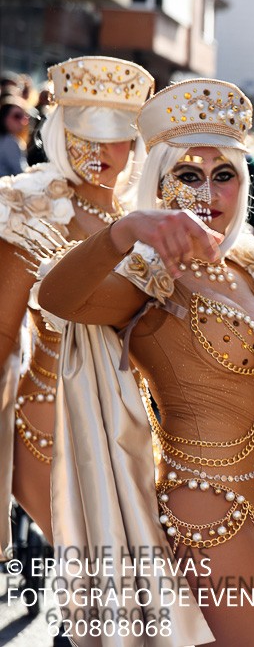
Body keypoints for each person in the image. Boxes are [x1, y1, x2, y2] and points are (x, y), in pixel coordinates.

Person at [37, 78, 254, 646]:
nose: (208, 191)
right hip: (205, 516)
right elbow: (56, 299)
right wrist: (122, 232)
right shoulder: (148, 280)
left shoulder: (251, 271)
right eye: (189, 175)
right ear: (160, 184)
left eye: (224, 175)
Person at [0, 56, 153, 545]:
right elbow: (3, 333)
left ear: (135, 141)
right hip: (51, 424)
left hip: (134, 432)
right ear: (61, 132)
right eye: (84, 133)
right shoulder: (34, 205)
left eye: (114, 134)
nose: (99, 150)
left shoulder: (150, 216)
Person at [0, 95, 33, 176]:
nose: (23, 120)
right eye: (17, 116)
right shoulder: (10, 142)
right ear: (4, 118)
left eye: (24, 116)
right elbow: (20, 172)